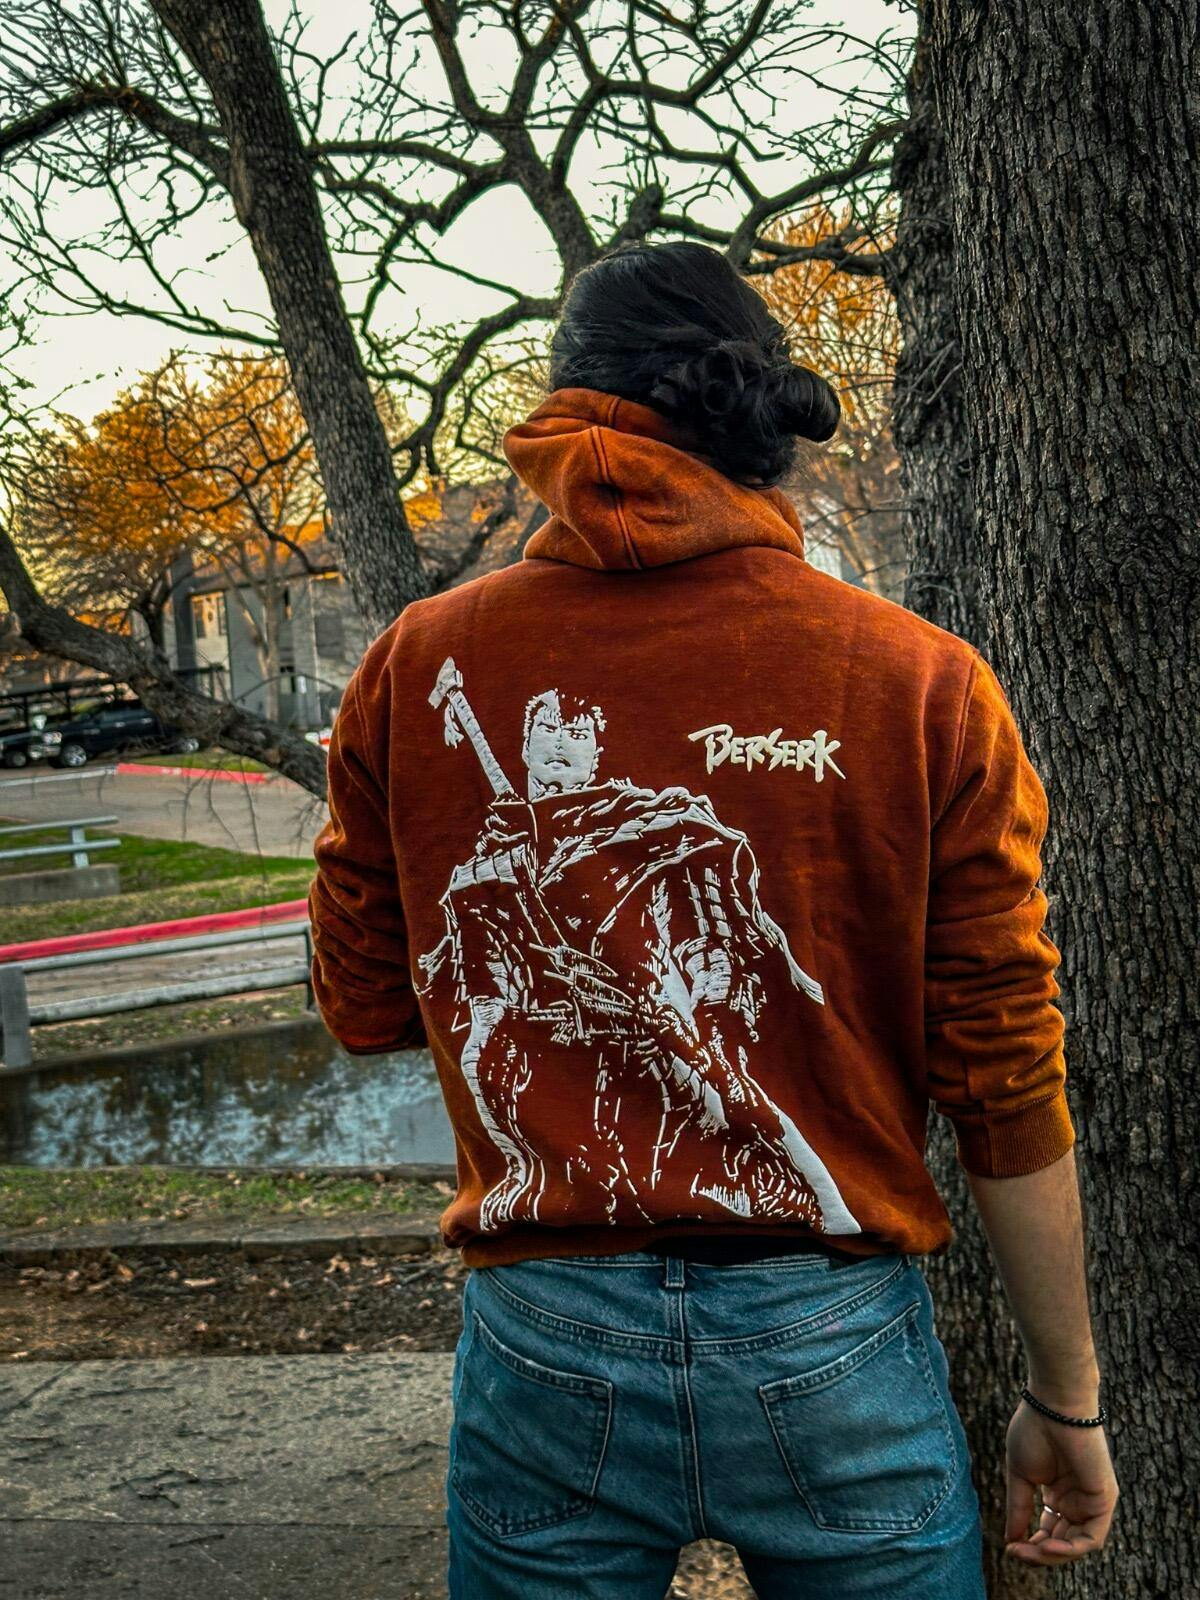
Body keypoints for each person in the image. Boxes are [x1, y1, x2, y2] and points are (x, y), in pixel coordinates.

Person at [308, 239, 1119, 1598]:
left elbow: (364, 1003)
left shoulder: (414, 666)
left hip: (544, 1332)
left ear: (562, 407)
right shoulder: (921, 683)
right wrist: (1067, 1393)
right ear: (758, 424)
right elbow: (1004, 1072)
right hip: (832, 1332)